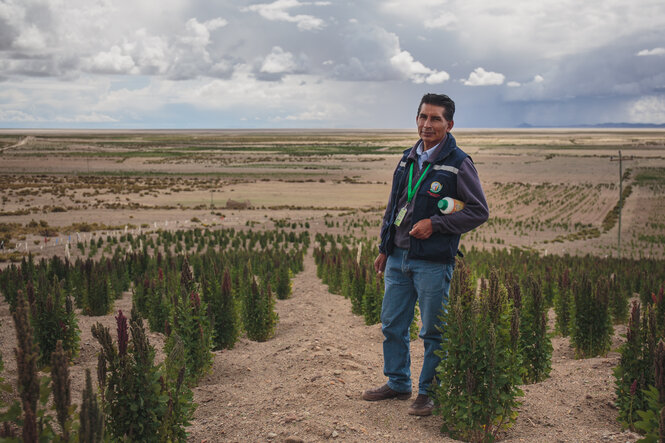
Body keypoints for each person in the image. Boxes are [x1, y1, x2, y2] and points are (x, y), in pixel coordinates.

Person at [362, 93, 489, 416]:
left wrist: (435, 224)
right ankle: (398, 382)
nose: (426, 124)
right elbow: (393, 207)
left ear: (449, 124)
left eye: (435, 119)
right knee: (392, 324)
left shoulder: (458, 163)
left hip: (432, 261)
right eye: (422, 117)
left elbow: (478, 211)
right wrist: (384, 248)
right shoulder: (407, 158)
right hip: (398, 257)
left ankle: (429, 392)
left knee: (433, 330)